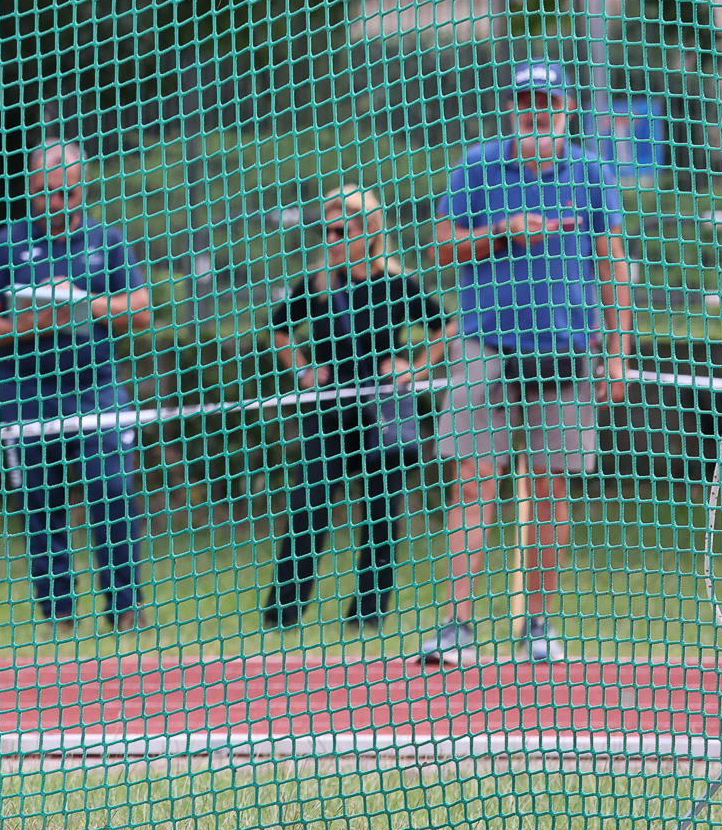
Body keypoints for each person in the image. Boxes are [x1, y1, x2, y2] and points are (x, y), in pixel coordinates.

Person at [418, 60, 629, 667]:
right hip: (484, 346)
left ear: (567, 108)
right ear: (510, 107)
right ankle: (457, 625)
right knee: (472, 481)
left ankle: (537, 624)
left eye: (548, 102)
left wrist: (617, 353)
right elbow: (441, 247)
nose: (537, 112)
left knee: (551, 486)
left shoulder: (591, 171)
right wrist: (505, 231)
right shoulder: (478, 165)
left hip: (565, 349)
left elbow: (613, 264)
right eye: (527, 101)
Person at [0, 141, 155, 632]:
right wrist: (34, 321)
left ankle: (125, 607)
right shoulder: (4, 244)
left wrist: (82, 305)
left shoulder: (107, 241)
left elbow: (141, 308)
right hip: (26, 393)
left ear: (82, 190)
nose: (57, 203)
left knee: (112, 491)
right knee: (41, 502)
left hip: (96, 390)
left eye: (68, 194)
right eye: (47, 193)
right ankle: (59, 613)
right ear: (30, 190)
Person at [262, 188, 446, 630]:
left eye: (341, 231)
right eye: (327, 232)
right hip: (329, 408)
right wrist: (304, 371)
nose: (332, 239)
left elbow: (446, 326)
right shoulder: (318, 286)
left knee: (382, 509)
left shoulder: (397, 284)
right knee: (310, 503)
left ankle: (368, 612)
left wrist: (414, 368)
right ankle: (283, 613)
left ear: (371, 232)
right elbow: (279, 329)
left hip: (383, 407)